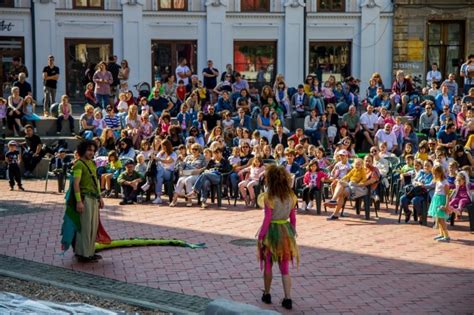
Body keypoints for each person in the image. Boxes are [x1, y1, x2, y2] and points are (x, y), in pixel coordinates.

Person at [257, 164, 299, 310]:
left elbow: (267, 218)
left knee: (268, 265)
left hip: (272, 231)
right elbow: (293, 219)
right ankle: (288, 298)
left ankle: (267, 294)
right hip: (285, 231)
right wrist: (291, 233)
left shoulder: (269, 197)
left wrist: (261, 236)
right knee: (285, 268)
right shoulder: (291, 197)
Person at [71, 140, 105, 262]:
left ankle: (90, 252)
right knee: (85, 227)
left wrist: (100, 196)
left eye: (93, 150)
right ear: (83, 150)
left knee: (93, 227)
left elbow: (95, 180)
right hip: (85, 198)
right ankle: (83, 254)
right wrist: (79, 201)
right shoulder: (78, 164)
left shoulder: (93, 163)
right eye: (89, 150)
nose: (91, 152)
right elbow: (76, 184)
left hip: (94, 198)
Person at [428, 165, 451, 242]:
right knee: (438, 218)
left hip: (441, 200)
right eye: (433, 173)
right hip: (436, 199)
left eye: (436, 173)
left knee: (442, 220)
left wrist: (446, 205)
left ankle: (446, 236)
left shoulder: (445, 182)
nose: (434, 175)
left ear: (440, 173)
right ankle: (441, 234)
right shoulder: (437, 180)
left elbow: (447, 194)